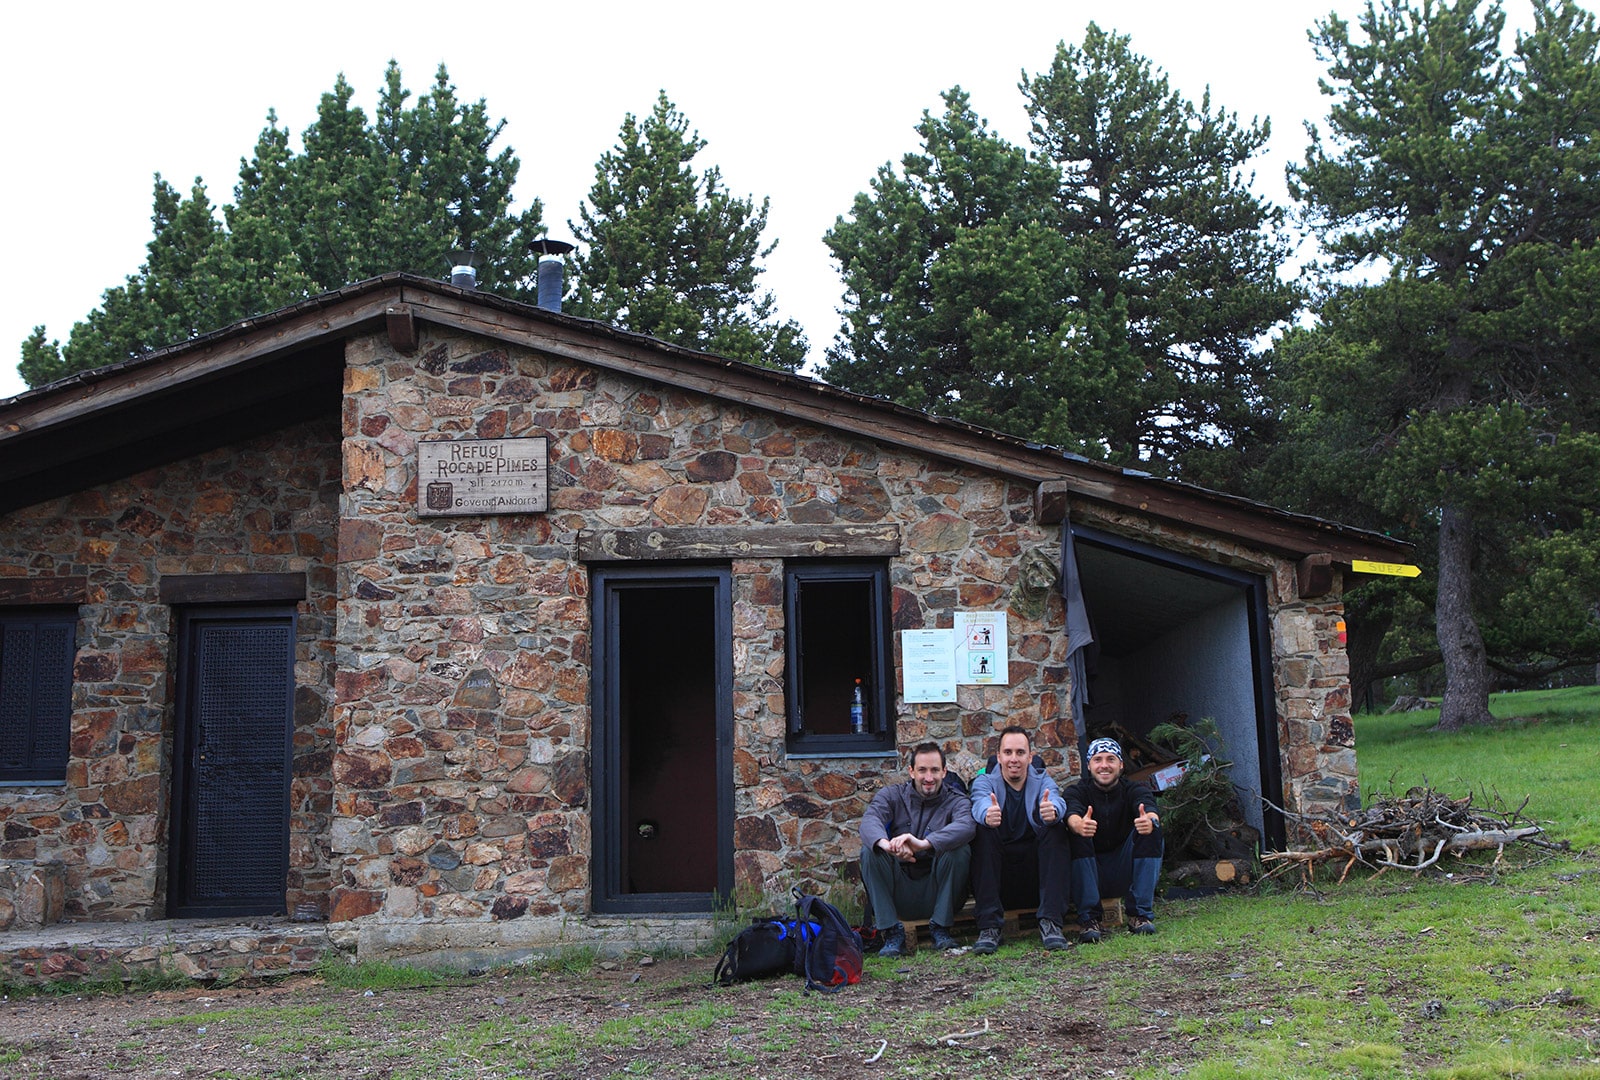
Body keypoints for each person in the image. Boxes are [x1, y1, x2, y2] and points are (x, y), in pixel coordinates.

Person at [859, 741, 975, 956]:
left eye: (934, 770)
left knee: (960, 850)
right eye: (922, 770)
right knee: (870, 851)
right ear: (911, 771)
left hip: (940, 890)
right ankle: (892, 932)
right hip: (900, 890)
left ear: (944, 772)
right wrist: (889, 846)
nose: (928, 778)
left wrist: (925, 844)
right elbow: (869, 821)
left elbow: (967, 826)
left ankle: (941, 928)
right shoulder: (892, 795)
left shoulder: (957, 800)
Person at [967, 725, 1072, 953]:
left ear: (1030, 757)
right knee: (982, 833)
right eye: (1008, 752)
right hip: (1000, 880)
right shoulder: (986, 782)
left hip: (1036, 877)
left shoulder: (1042, 779)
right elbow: (979, 802)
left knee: (1056, 830)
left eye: (1020, 752)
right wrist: (987, 814)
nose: (1014, 759)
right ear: (999, 757)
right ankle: (989, 927)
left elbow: (1057, 799)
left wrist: (1052, 810)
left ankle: (1051, 923)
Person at [1063, 737, 1164, 938]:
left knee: (1152, 829)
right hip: (1089, 872)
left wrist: (1150, 820)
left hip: (1124, 869)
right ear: (1089, 765)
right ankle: (1089, 920)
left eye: (1111, 759)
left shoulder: (1134, 789)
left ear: (1121, 765)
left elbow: (1149, 808)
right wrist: (1078, 825)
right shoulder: (1077, 791)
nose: (1104, 766)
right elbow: (1071, 813)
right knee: (1077, 833)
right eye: (1098, 759)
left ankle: (1140, 915)